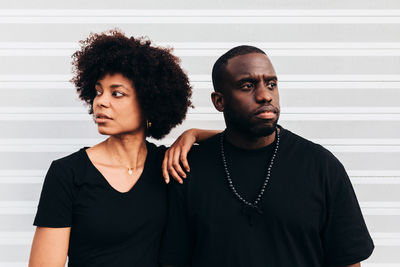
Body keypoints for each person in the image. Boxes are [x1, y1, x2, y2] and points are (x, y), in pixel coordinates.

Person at [160, 45, 374, 267]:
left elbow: (347, 261)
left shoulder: (321, 166)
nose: (264, 96)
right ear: (219, 101)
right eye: (247, 85)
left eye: (271, 84)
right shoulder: (189, 169)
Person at [28, 29, 218, 267]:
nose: (101, 101)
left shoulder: (168, 166)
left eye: (117, 93)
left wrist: (194, 134)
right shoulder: (68, 173)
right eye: (98, 91)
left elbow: (247, 139)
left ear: (149, 102)